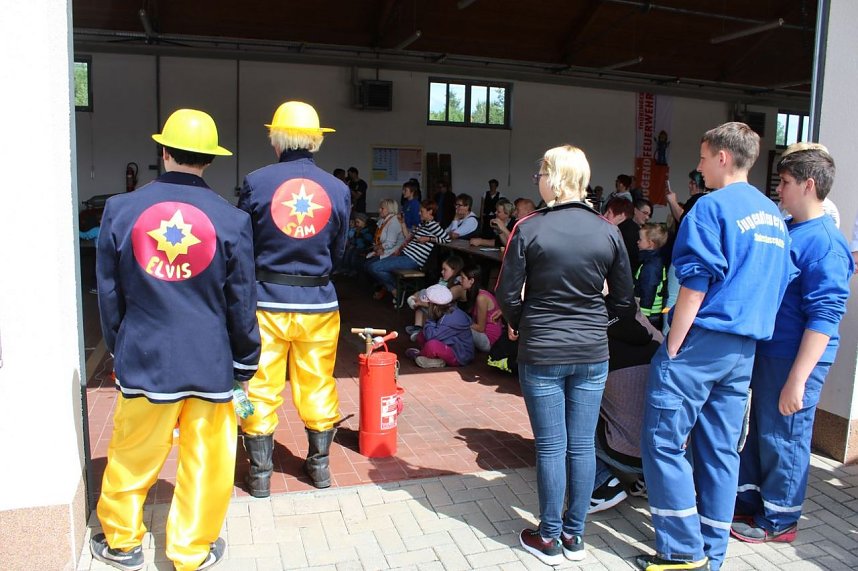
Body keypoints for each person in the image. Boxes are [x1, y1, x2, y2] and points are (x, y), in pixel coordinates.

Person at [90, 109, 261, 571]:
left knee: (132, 454)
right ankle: (190, 551)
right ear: (210, 159)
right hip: (211, 363)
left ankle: (122, 544)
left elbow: (109, 292)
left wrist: (120, 344)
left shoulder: (120, 210)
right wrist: (245, 362)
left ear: (163, 151)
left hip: (145, 358)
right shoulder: (232, 220)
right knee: (207, 460)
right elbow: (242, 302)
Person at [636, 122, 796, 571]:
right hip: (744, 349)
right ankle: (712, 550)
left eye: (704, 157)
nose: (700, 165)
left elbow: (695, 284)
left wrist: (672, 346)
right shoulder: (773, 216)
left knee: (663, 441)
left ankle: (681, 552)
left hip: (701, 343)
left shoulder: (709, 208)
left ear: (723, 157)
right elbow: (780, 282)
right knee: (721, 450)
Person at [496, 145, 635, 566]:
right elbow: (625, 300)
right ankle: (575, 536)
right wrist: (599, 324)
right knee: (581, 445)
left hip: (542, 349)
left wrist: (520, 322)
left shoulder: (528, 228)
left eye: (541, 173)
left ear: (554, 178)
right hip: (591, 351)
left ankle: (549, 536)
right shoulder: (607, 230)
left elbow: (506, 293)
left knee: (552, 447)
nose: (538, 180)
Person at [732, 148, 853, 544]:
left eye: (784, 183)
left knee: (785, 436)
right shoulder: (788, 228)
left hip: (793, 359)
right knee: (762, 434)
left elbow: (825, 317)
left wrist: (798, 379)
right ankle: (750, 501)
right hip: (772, 353)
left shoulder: (825, 243)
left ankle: (780, 519)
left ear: (808, 185)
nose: (778, 190)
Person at [237, 100, 350, 494]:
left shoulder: (256, 182)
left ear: (276, 140)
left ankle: (260, 475)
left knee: (260, 385)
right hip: (318, 302)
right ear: (316, 140)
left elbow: (243, 243)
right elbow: (340, 251)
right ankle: (319, 467)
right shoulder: (338, 189)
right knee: (317, 382)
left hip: (266, 301)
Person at [589, 308, 662, 514]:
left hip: (624, 453)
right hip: (666, 452)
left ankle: (600, 485)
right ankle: (650, 480)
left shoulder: (597, 346)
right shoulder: (660, 340)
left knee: (564, 410)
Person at [366, 199, 449, 302]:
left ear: (430, 212)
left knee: (374, 267)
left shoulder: (433, 225)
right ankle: (395, 289)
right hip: (404, 255)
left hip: (412, 259)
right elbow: (408, 237)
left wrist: (429, 239)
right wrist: (402, 223)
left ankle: (396, 289)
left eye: (421, 211)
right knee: (372, 266)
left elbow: (447, 239)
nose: (419, 213)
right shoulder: (423, 224)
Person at [663, 170, 708, 334]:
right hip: (699, 259)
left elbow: (683, 219)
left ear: (696, 184)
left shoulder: (697, 200)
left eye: (691, 182)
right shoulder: (710, 201)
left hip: (684, 258)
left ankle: (667, 336)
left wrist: (672, 201)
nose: (689, 186)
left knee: (673, 298)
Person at [405, 284, 474, 369]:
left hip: (460, 355)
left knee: (432, 345)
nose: (428, 306)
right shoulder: (448, 310)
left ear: (434, 306)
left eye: (429, 304)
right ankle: (435, 359)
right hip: (449, 343)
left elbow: (431, 336)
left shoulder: (450, 319)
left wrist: (430, 317)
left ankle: (420, 355)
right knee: (421, 335)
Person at [405, 254, 464, 338]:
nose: (442, 272)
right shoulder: (444, 281)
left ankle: (422, 330)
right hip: (437, 308)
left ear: (454, 270)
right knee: (422, 295)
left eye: (445, 269)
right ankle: (418, 327)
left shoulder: (457, 287)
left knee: (421, 302)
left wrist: (420, 302)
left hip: (446, 312)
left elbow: (442, 304)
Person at [454, 265, 503, 353]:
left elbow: (480, 328)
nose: (460, 281)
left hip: (489, 340)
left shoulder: (481, 298)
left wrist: (460, 324)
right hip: (482, 334)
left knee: (457, 328)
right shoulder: (473, 294)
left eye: (463, 278)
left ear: (471, 281)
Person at [365, 199, 406, 299]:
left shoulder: (394, 221)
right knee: (366, 265)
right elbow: (378, 239)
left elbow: (390, 243)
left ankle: (394, 287)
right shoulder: (383, 221)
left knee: (370, 266)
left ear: (389, 209)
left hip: (393, 252)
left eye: (382, 208)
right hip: (383, 250)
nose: (379, 210)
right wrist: (377, 248)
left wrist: (379, 248)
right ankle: (389, 288)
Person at [635, 223, 668, 329]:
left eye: (640, 239)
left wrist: (642, 316)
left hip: (648, 313)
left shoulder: (651, 266)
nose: (637, 241)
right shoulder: (655, 261)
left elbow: (648, 290)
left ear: (650, 244)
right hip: (653, 312)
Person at [337, 212, 373, 277]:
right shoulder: (357, 230)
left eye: (358, 222)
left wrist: (361, 234)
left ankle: (354, 270)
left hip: (363, 248)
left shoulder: (367, 230)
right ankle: (347, 268)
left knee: (353, 256)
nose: (356, 224)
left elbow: (369, 241)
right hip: (356, 247)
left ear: (364, 222)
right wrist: (353, 244)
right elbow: (355, 239)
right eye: (356, 222)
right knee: (347, 253)